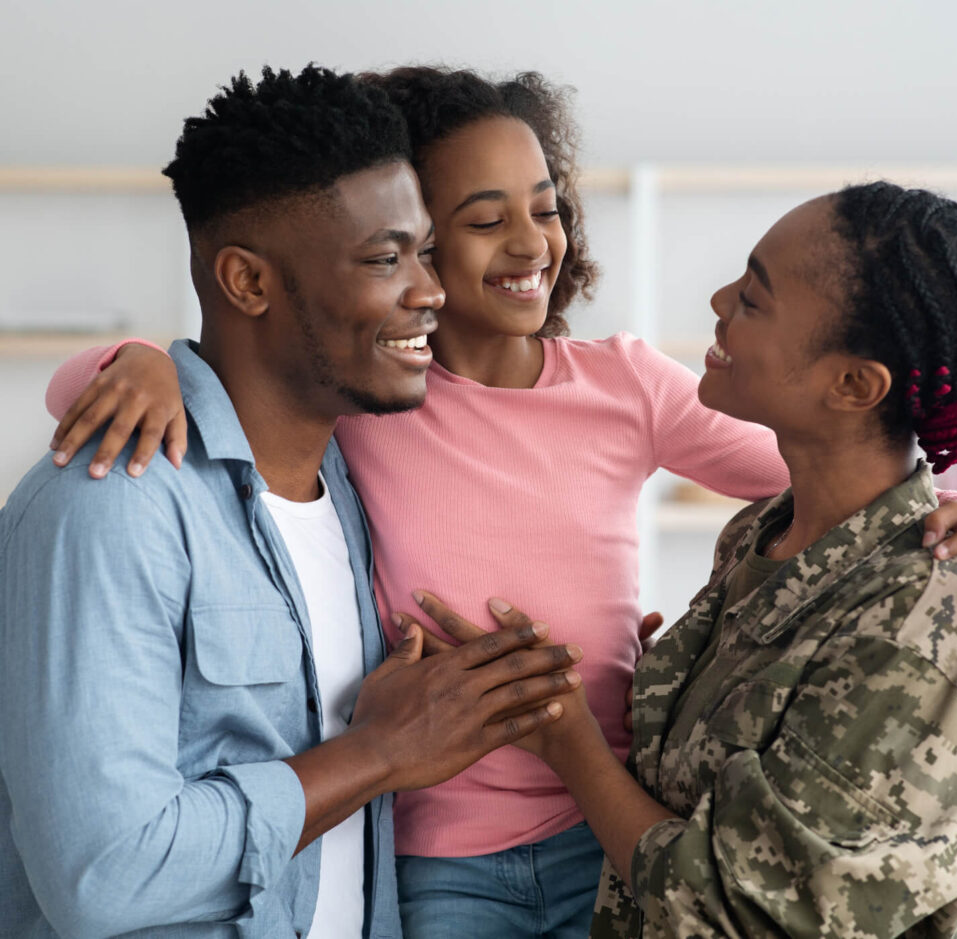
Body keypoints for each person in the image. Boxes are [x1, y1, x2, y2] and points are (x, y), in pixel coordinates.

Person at [43, 70, 957, 938]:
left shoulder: (625, 385)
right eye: (475, 221)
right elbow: (238, 378)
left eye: (545, 207)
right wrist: (137, 363)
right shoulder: (373, 400)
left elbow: (836, 461)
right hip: (437, 844)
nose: (527, 241)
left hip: (602, 828)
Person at [0, 66, 584, 939]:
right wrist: (378, 753)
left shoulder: (351, 484)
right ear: (246, 282)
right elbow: (104, 874)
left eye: (425, 251)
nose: (429, 290)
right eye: (387, 259)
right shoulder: (110, 506)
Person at [403, 181, 957, 936]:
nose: (720, 299)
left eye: (755, 299)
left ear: (854, 384)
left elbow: (738, 907)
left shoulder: (919, 622)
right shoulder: (763, 532)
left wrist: (570, 738)